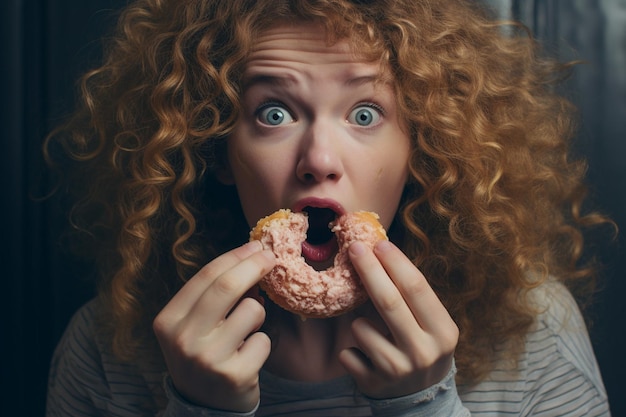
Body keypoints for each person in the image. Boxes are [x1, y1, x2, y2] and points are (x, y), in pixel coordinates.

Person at [44, 0, 614, 415]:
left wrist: (426, 407)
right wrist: (198, 409)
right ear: (216, 148)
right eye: (274, 113)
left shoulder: (532, 329)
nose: (318, 159)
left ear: (423, 147)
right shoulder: (109, 347)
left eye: (365, 114)